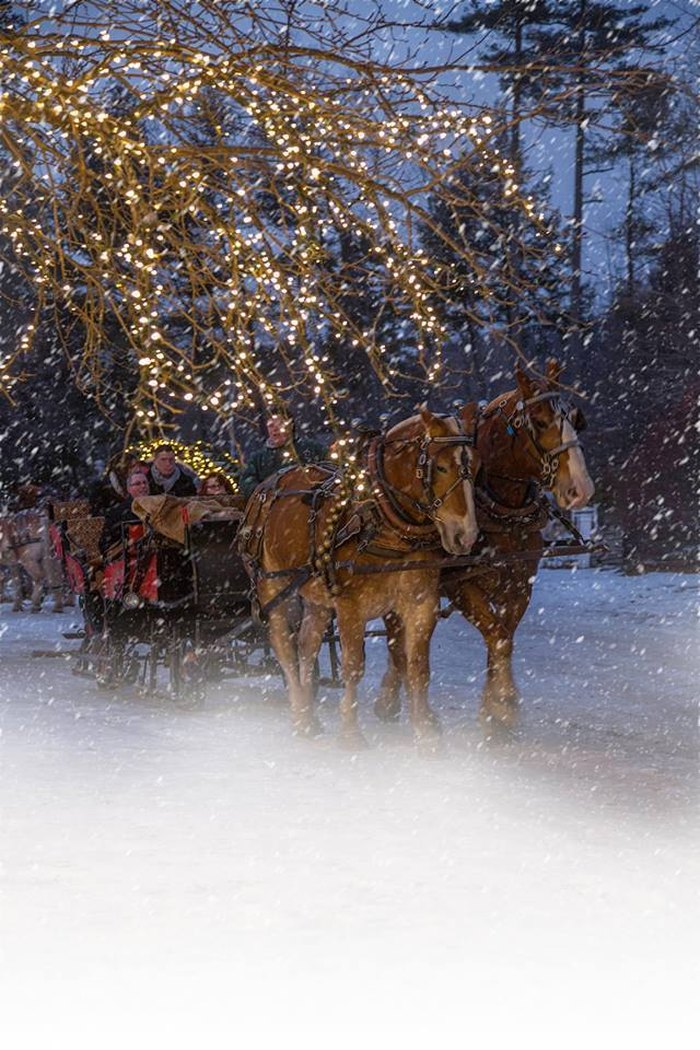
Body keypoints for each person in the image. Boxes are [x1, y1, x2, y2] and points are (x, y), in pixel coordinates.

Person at [238, 413, 327, 500]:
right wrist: (263, 492)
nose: (275, 429)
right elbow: (246, 482)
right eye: (271, 425)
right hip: (274, 507)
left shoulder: (310, 448)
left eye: (280, 424)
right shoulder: (258, 458)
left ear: (291, 425)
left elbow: (330, 466)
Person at [99, 469, 151, 555]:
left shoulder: (157, 506)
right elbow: (106, 544)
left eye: (145, 483)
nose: (143, 486)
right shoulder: (118, 513)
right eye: (138, 484)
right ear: (129, 489)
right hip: (130, 558)